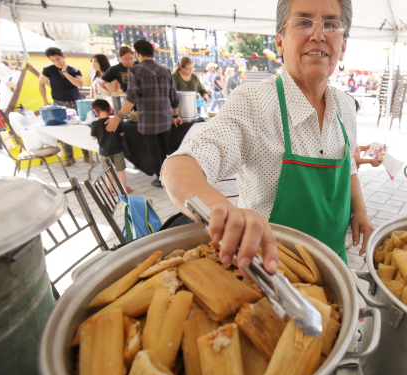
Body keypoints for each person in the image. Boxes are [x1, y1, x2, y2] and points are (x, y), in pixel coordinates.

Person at [162, 0, 373, 272]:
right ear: (280, 42)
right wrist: (223, 213)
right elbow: (180, 166)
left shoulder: (345, 105)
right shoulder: (253, 103)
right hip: (270, 274)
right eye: (304, 22)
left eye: (331, 25)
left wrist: (361, 212)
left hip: (334, 266)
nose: (319, 35)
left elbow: (349, 165)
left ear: (343, 45)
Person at [106, 39, 181, 189]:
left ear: (138, 54)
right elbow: (174, 96)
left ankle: (161, 179)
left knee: (153, 150)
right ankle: (170, 176)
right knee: (165, 148)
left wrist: (117, 116)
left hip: (148, 121)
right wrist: (175, 116)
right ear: (152, 53)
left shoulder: (134, 70)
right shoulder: (165, 70)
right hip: (165, 119)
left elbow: (132, 97)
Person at [39, 47, 91, 166]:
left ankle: (86, 155)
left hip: (75, 102)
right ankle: (69, 158)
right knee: (64, 131)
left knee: (81, 128)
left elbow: (80, 84)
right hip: (59, 103)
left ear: (63, 56)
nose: (57, 62)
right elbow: (41, 83)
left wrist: (65, 73)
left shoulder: (74, 70)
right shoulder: (48, 70)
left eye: (58, 59)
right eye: (53, 60)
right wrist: (44, 99)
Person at [89, 99, 131, 192]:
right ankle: (124, 189)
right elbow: (122, 134)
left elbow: (93, 137)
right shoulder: (116, 121)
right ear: (110, 110)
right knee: (121, 170)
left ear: (95, 111)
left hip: (105, 152)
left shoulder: (95, 124)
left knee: (108, 171)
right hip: (118, 150)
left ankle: (109, 189)